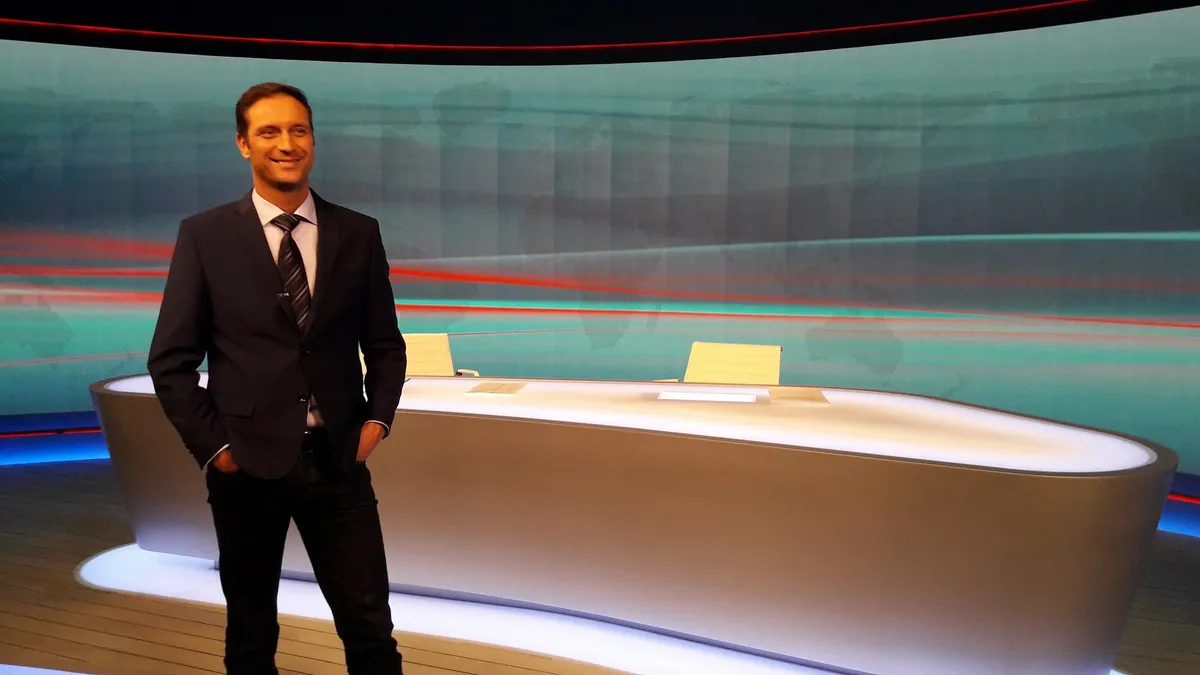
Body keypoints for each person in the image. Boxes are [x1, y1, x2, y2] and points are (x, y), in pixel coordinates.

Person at [147, 82, 408, 675]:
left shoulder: (358, 233)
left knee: (370, 628)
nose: (286, 143)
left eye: (298, 130)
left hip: (339, 463)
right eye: (269, 131)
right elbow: (171, 360)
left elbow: (385, 346)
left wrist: (376, 421)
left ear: (312, 139)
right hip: (246, 468)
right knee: (250, 631)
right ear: (243, 144)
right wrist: (217, 449)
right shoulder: (206, 235)